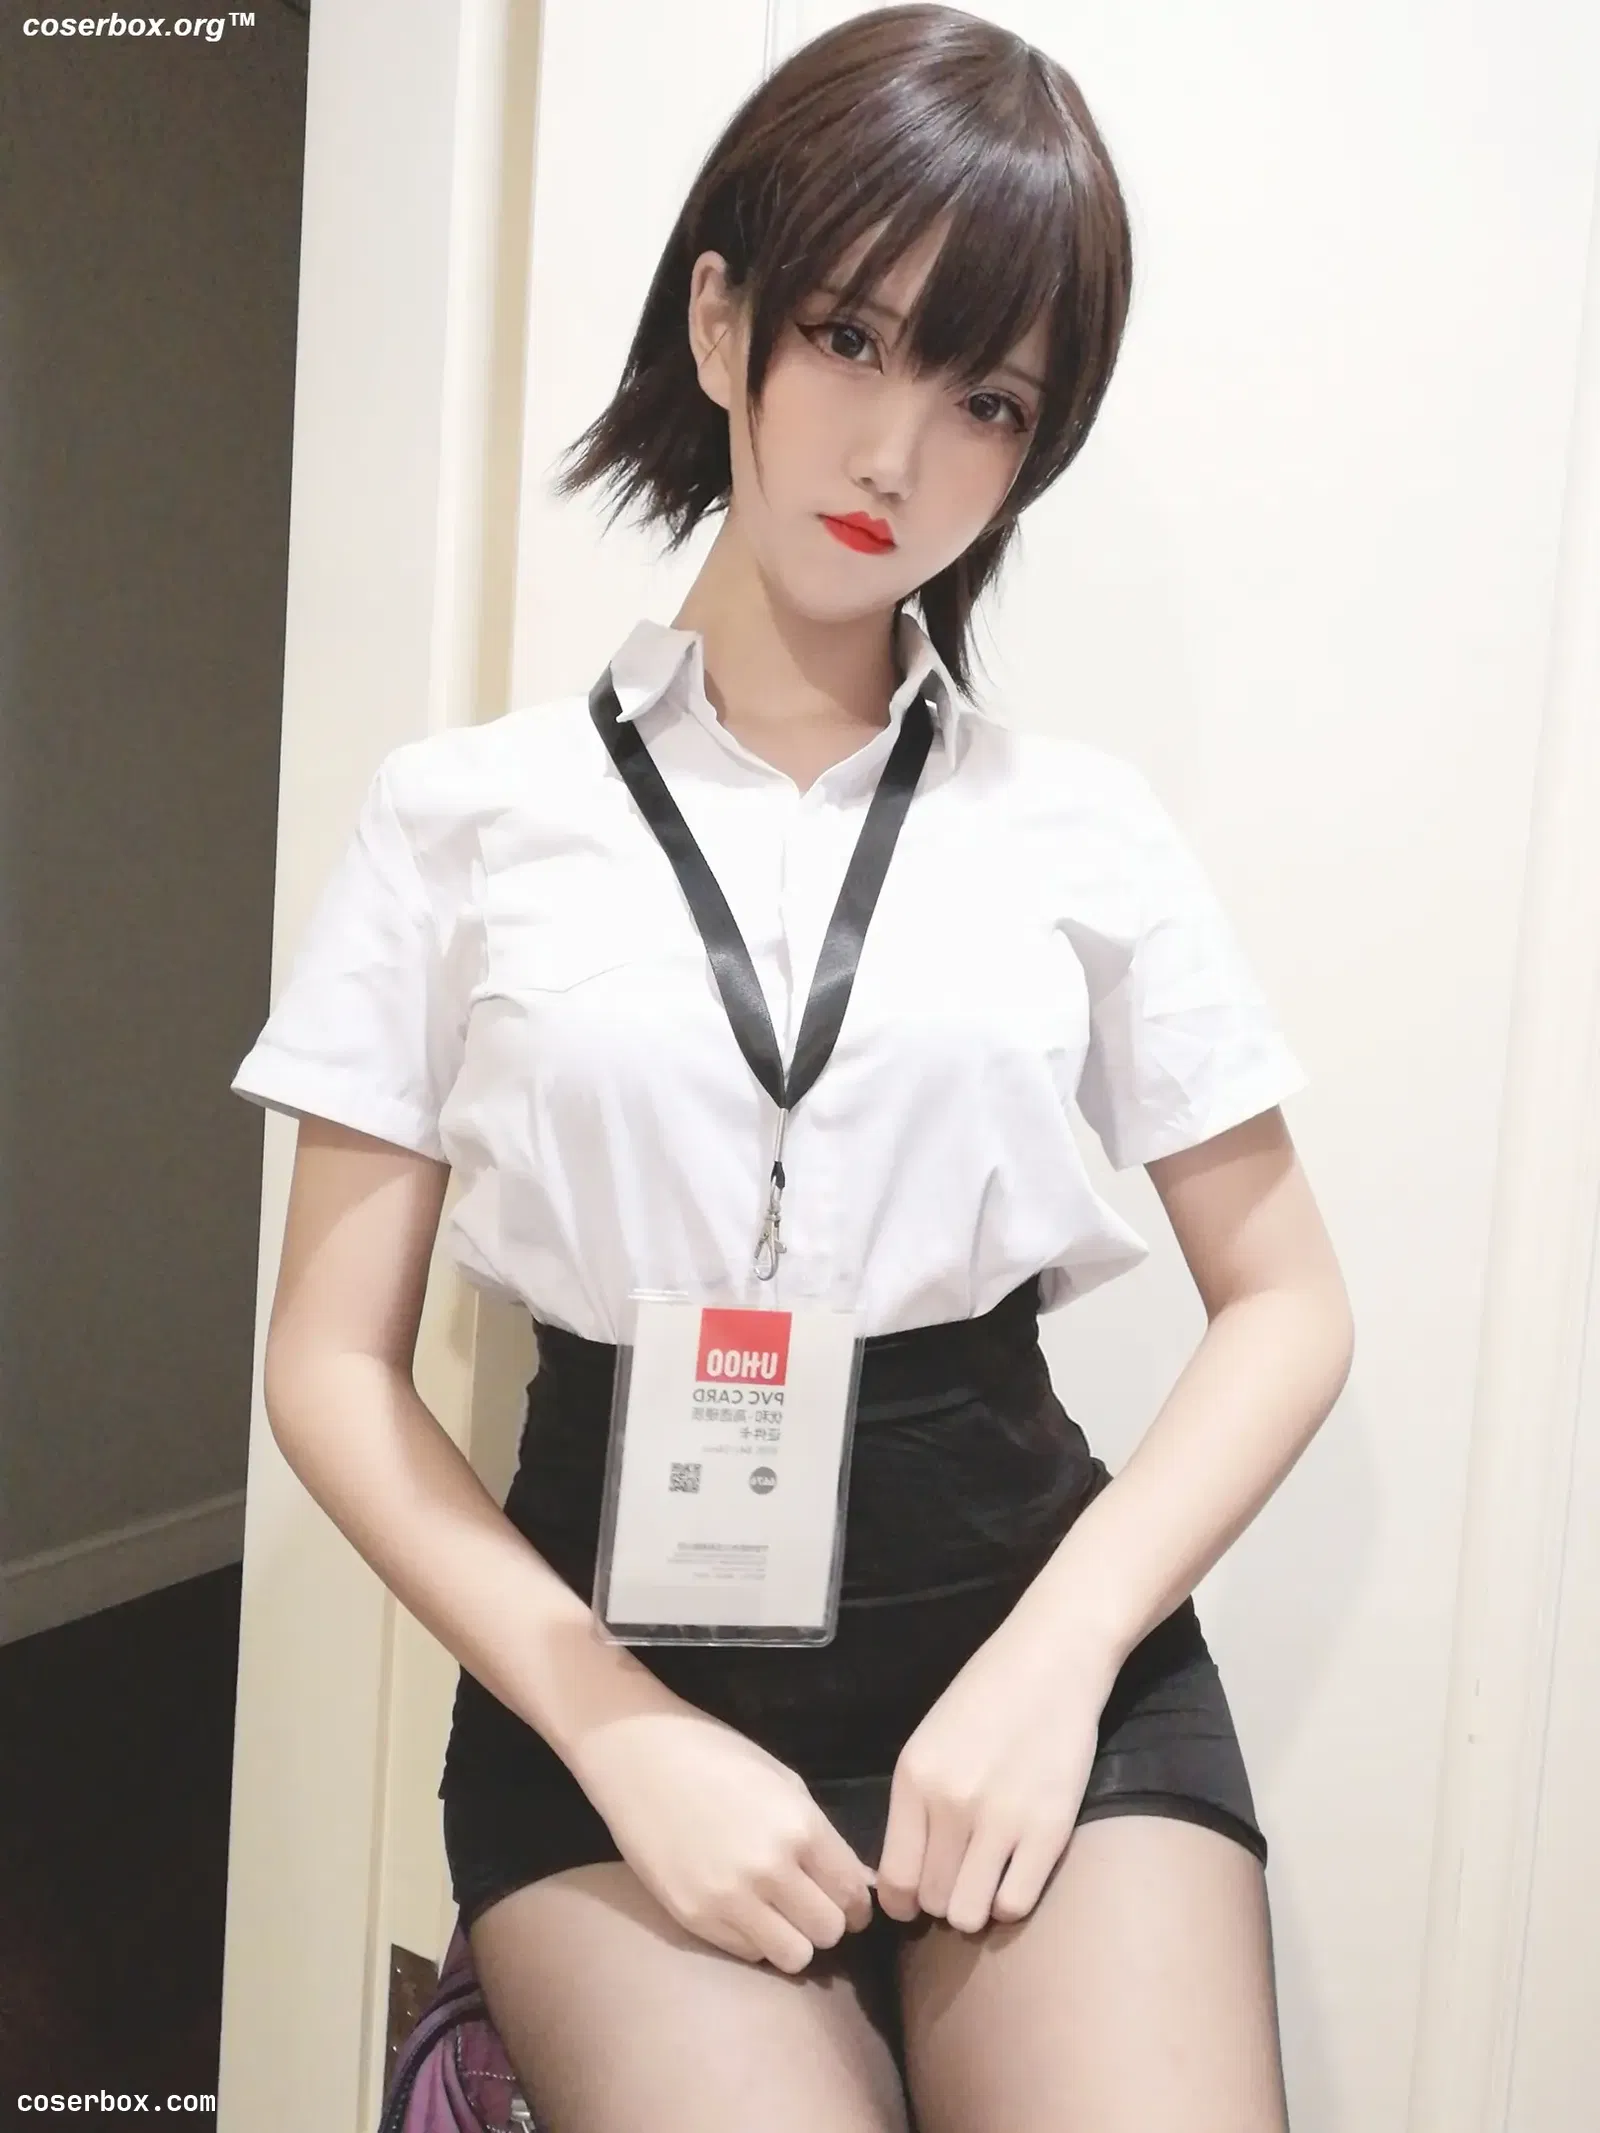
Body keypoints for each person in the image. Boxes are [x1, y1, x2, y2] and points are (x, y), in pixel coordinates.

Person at [232, 7, 1354, 2128]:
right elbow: (330, 1364)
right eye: (849, 338)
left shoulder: (1083, 831)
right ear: (721, 324)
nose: (894, 456)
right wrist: (612, 1723)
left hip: (1025, 1625)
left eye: (986, 397)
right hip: (607, 1666)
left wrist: (1053, 1665)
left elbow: (1288, 1303)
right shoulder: (460, 818)